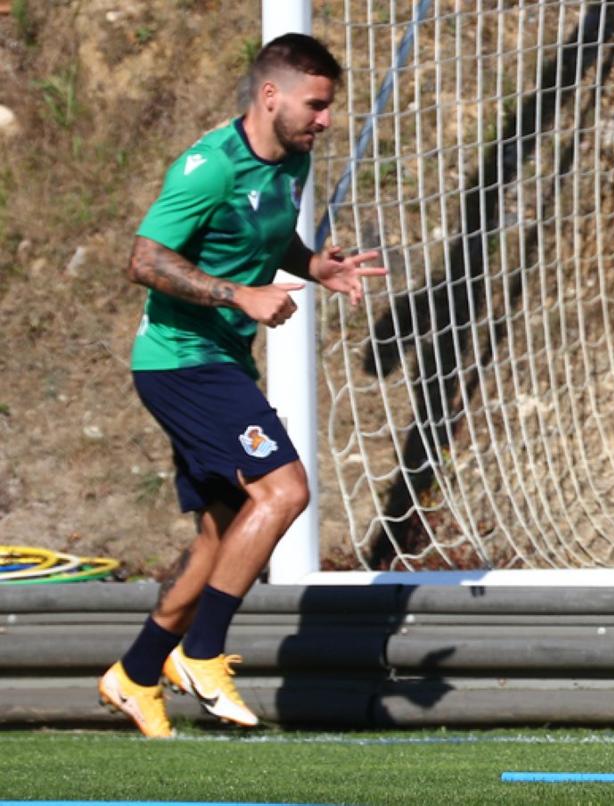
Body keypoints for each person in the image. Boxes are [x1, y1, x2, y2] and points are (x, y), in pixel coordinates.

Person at [98, 33, 385, 738]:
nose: (325, 120)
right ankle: (199, 655)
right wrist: (238, 296)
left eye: (328, 107)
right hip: (181, 359)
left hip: (221, 359)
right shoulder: (206, 168)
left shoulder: (290, 162)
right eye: (315, 105)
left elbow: (267, 232)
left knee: (222, 532)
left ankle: (135, 673)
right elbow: (143, 259)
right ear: (270, 96)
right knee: (284, 490)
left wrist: (313, 266)